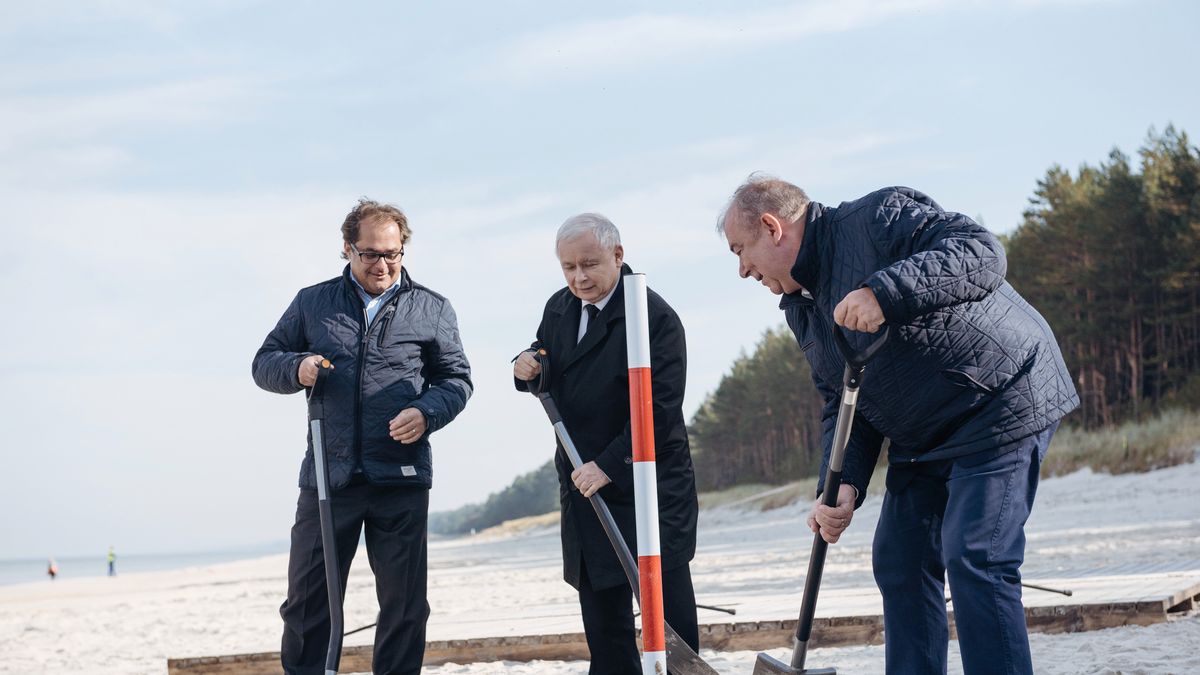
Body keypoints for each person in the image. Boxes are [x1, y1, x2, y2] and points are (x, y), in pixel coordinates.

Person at [717, 175, 1079, 675]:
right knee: (899, 561)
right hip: (923, 434)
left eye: (740, 251)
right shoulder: (800, 308)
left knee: (975, 555)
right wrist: (841, 481)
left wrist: (883, 292)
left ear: (771, 226)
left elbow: (982, 253)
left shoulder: (876, 217)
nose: (741, 270)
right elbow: (843, 399)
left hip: (998, 400)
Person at [253, 198, 473, 675]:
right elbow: (264, 362)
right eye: (371, 253)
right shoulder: (312, 302)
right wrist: (298, 366)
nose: (383, 265)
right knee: (307, 604)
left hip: (401, 478)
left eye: (393, 254)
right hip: (328, 480)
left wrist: (426, 411)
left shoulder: (432, 308)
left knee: (404, 606)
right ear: (347, 249)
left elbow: (457, 380)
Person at [512, 213, 700, 675]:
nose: (579, 278)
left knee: (667, 617)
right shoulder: (559, 307)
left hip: (647, 485)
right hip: (581, 480)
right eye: (569, 267)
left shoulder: (655, 317)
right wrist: (526, 364)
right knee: (604, 623)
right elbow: (545, 352)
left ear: (618, 255)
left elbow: (659, 408)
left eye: (590, 264)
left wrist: (610, 464)